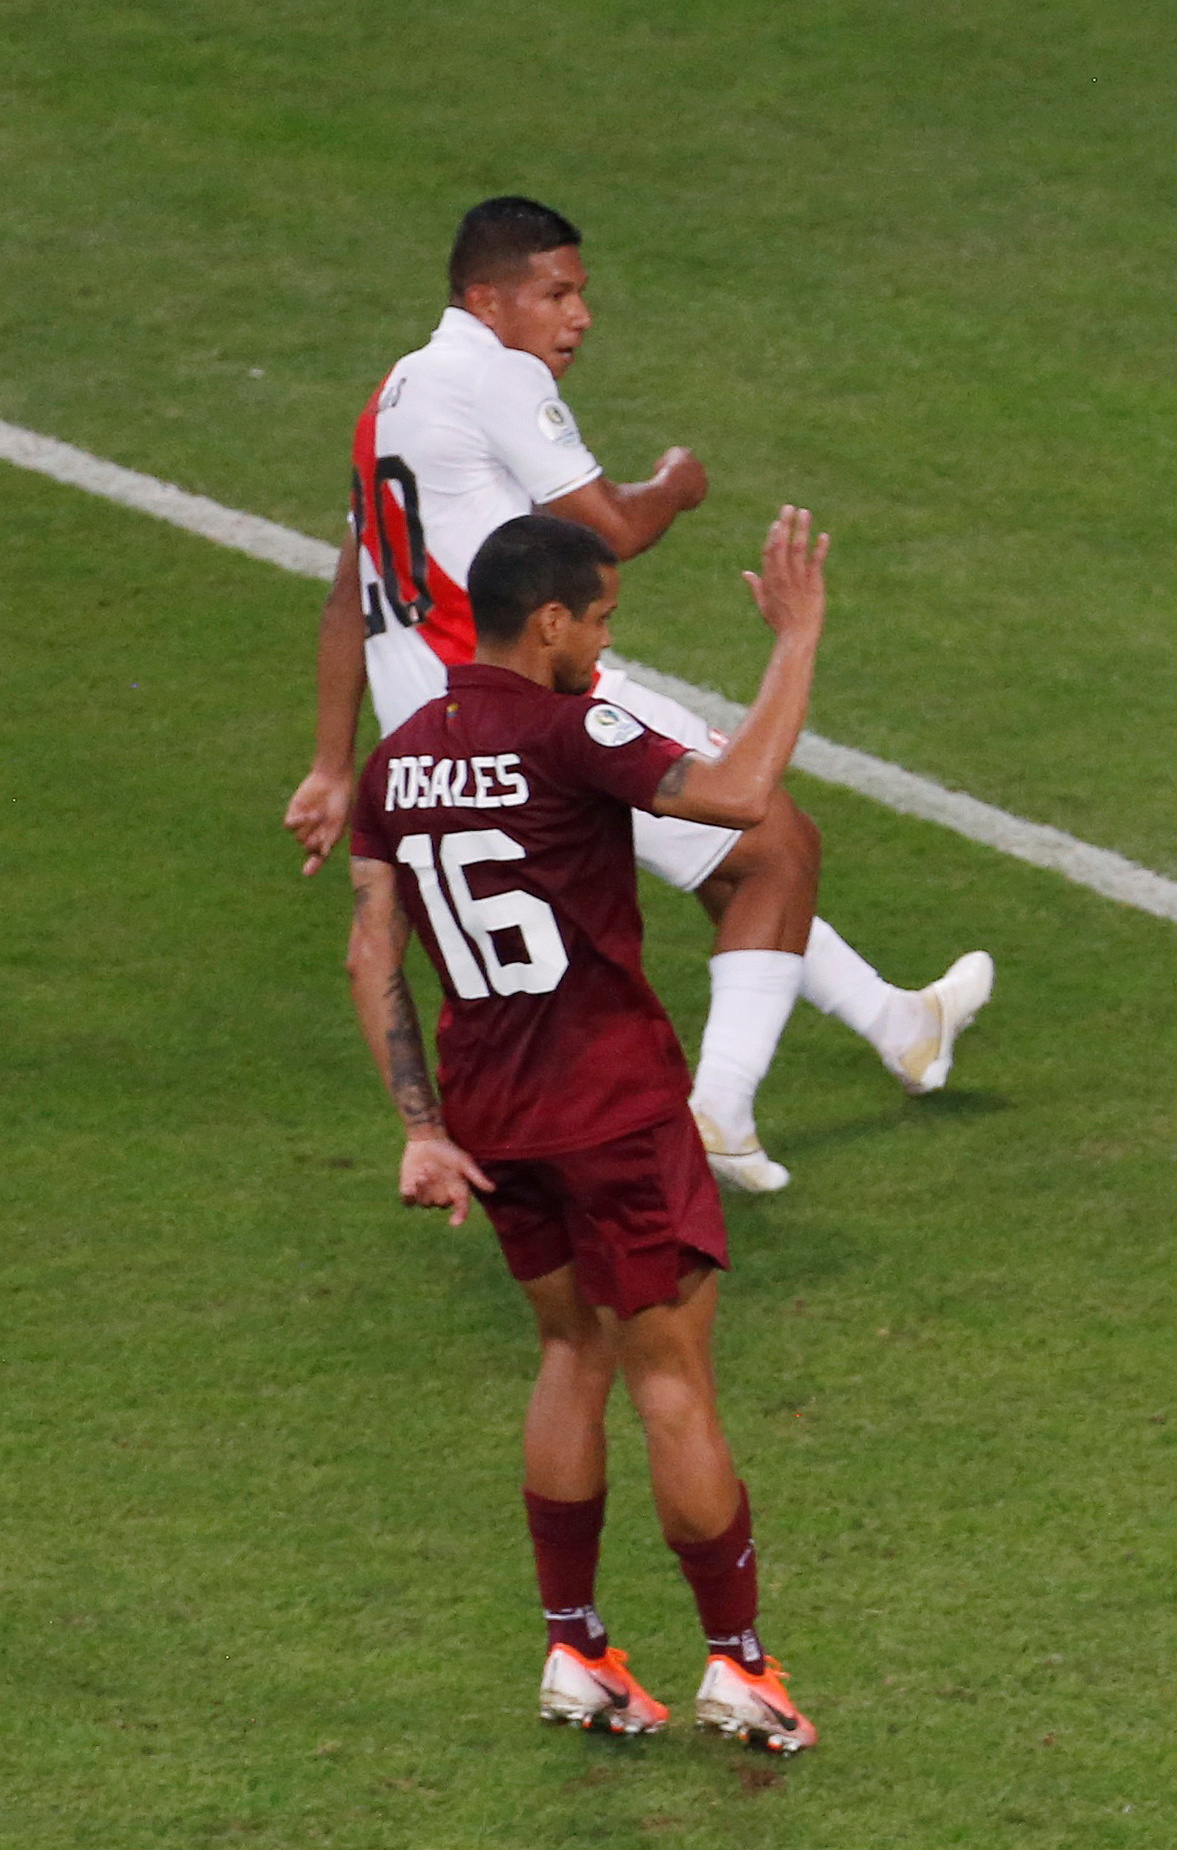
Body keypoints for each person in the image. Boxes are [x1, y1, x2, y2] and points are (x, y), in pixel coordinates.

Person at [288, 194, 991, 1194]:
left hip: (427, 743)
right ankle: (722, 1109)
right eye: (556, 294)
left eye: (582, 294)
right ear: (486, 299)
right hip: (527, 705)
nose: (578, 317)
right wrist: (679, 480)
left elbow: (345, 592)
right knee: (776, 844)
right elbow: (612, 527)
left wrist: (328, 763)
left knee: (721, 862)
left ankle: (900, 1024)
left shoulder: (386, 403)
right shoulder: (493, 375)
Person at [343, 507, 836, 1754]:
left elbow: (372, 950)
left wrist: (418, 1126)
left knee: (571, 1354)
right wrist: (796, 641)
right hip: (611, 1111)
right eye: (603, 620)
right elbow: (736, 796)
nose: (607, 644)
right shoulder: (574, 728)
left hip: (493, 1116)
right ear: (550, 619)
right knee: (671, 1374)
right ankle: (739, 1664)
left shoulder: (395, 762)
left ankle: (576, 1647)